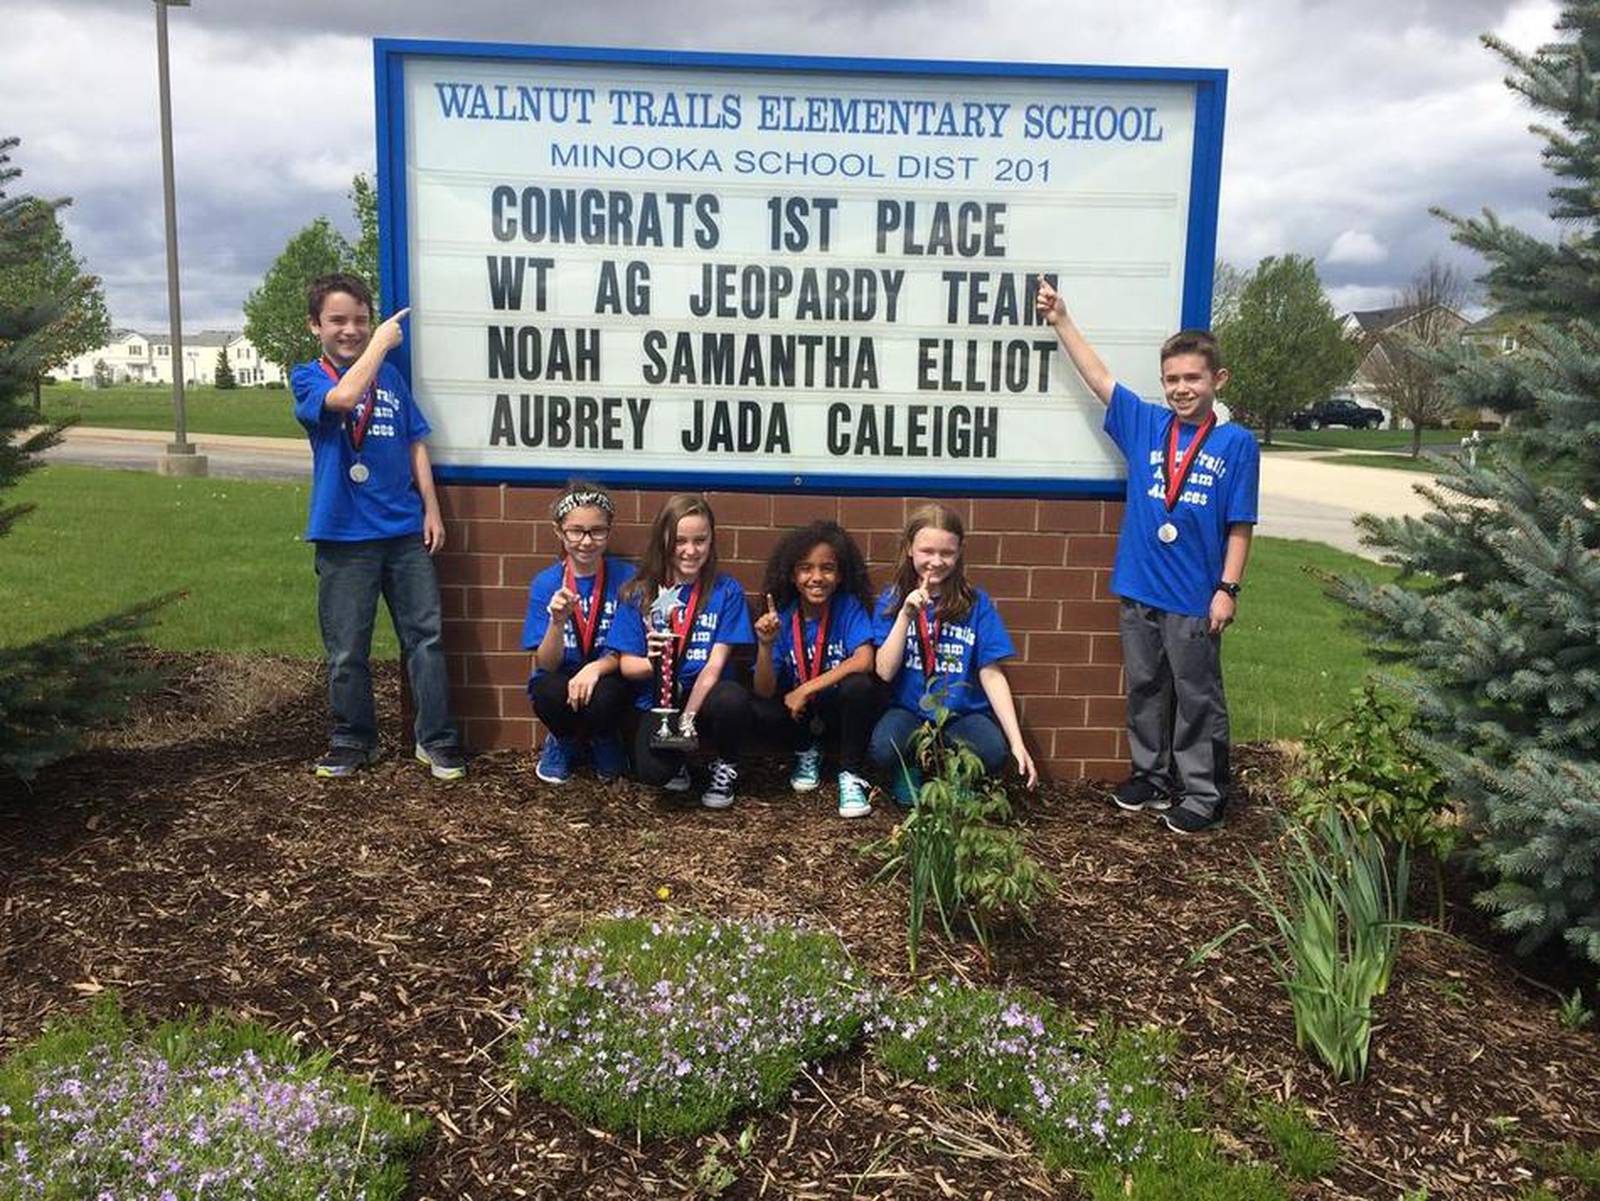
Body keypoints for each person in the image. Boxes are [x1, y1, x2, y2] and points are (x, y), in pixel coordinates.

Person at [1035, 279, 1259, 834]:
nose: (1182, 389)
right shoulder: (1148, 425)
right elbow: (1100, 379)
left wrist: (1226, 589)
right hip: (1138, 586)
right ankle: (1152, 777)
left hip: (1193, 596)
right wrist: (1062, 319)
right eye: (1172, 379)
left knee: (1197, 695)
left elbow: (1240, 525)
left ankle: (1204, 793)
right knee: (1145, 688)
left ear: (1217, 380)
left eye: (1193, 378)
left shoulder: (1237, 445)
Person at [289, 272, 465, 780]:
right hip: (344, 535)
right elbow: (343, 399)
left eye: (361, 321)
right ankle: (353, 740)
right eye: (338, 320)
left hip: (404, 532)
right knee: (348, 649)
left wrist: (431, 508)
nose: (351, 330)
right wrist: (383, 345)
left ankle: (436, 741)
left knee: (425, 639)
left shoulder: (390, 377)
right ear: (315, 326)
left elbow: (415, 441)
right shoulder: (308, 377)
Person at [868, 503, 1037, 804]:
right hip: (911, 712)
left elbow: (991, 673)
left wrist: (1017, 741)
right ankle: (910, 770)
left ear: (959, 553)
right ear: (909, 549)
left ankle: (959, 774)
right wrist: (905, 616)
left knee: (994, 751)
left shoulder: (976, 603)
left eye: (946, 553)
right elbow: (883, 671)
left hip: (961, 713)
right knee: (884, 746)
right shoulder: (892, 599)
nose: (936, 561)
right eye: (927, 551)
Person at [605, 494, 755, 809]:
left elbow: (714, 667)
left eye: (700, 540)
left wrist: (687, 722)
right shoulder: (640, 592)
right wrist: (654, 662)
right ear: (663, 539)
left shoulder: (726, 591)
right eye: (680, 540)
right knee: (653, 772)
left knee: (733, 698)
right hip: (661, 700)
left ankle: (726, 764)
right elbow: (627, 666)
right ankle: (678, 760)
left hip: (709, 695)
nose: (690, 550)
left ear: (711, 541)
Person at [752, 520, 885, 818]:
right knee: (761, 708)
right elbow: (763, 689)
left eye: (827, 568)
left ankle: (850, 773)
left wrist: (805, 688)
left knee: (860, 685)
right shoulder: (783, 618)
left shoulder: (847, 607)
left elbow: (865, 660)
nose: (816, 577)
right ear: (792, 575)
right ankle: (805, 751)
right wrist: (765, 644)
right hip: (800, 715)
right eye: (805, 568)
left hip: (838, 709)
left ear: (839, 576)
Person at [522, 482, 637, 784]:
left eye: (597, 531)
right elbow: (545, 663)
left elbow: (629, 649)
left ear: (609, 532)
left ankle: (604, 738)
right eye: (576, 531)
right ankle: (563, 740)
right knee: (545, 689)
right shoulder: (546, 583)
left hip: (608, 676)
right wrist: (557, 622)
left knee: (609, 694)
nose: (586, 541)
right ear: (559, 532)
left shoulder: (627, 578)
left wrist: (595, 668)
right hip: (561, 678)